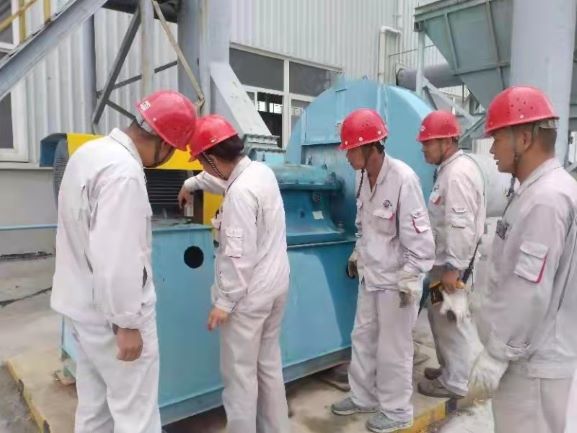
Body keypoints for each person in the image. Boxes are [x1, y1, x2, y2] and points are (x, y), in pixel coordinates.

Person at [51, 90, 197, 433]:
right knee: (137, 418)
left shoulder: (90, 152)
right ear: (165, 143)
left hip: (81, 307)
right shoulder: (124, 173)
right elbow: (117, 256)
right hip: (114, 321)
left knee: (94, 410)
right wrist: (127, 324)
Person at [469, 86, 577, 433]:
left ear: (525, 139)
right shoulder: (538, 191)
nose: (491, 149)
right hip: (527, 356)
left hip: (532, 365)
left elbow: (528, 291)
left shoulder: (546, 200)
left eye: (498, 138)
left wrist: (496, 354)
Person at [178, 114, 290, 433]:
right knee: (268, 367)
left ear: (212, 158)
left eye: (202, 161)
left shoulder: (240, 193)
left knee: (239, 378)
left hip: (248, 298)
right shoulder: (260, 172)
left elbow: (238, 257)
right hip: (276, 287)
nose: (202, 166)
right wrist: (191, 183)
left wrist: (224, 303)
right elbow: (223, 181)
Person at [331, 108, 435, 433]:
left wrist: (410, 279)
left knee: (394, 349)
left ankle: (397, 410)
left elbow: (420, 240)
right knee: (362, 337)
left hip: (397, 282)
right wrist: (357, 253)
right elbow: (364, 225)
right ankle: (363, 396)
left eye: (351, 149)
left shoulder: (403, 179)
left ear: (369, 147)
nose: (347, 155)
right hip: (371, 275)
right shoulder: (362, 177)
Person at [416, 110, 485, 399]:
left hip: (450, 269)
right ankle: (449, 369)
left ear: (447, 141)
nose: (423, 148)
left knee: (451, 321)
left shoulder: (457, 174)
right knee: (439, 318)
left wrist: (454, 269)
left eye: (428, 142)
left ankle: (455, 382)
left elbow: (460, 226)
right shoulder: (448, 170)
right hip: (441, 267)